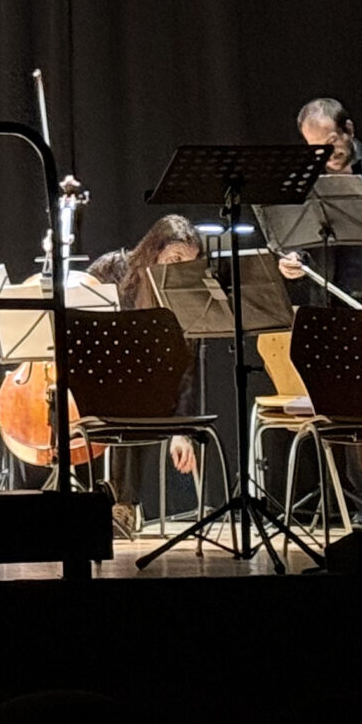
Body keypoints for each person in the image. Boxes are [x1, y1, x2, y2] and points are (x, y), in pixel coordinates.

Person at [107, 213, 203, 537]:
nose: (180, 270)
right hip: (102, 377)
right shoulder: (114, 268)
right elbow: (77, 296)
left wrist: (181, 430)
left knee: (130, 400)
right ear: (154, 251)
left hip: (149, 395)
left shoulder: (186, 297)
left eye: (188, 263)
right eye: (175, 259)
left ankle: (123, 505)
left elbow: (187, 371)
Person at [274, 97, 362, 301]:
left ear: (348, 129)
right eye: (317, 147)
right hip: (330, 299)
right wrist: (294, 258)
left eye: (331, 142)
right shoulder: (304, 180)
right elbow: (298, 240)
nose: (327, 154)